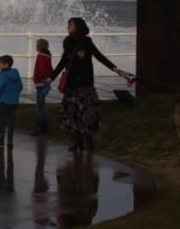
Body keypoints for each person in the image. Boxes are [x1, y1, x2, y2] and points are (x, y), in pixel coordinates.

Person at [51, 17, 127, 152]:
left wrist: (114, 68)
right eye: (68, 25)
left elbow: (98, 56)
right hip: (72, 83)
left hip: (85, 83)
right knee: (72, 113)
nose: (68, 27)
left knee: (87, 113)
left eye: (71, 25)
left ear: (78, 27)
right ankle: (78, 141)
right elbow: (63, 61)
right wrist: (51, 77)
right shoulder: (68, 42)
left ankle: (88, 140)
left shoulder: (86, 41)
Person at [0, 54, 23, 148]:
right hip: (14, 102)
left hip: (4, 101)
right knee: (11, 122)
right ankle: (10, 142)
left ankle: (0, 141)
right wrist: (15, 94)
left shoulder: (3, 75)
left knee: (2, 122)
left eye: (0, 64)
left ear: (6, 65)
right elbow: (20, 87)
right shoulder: (16, 73)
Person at [31, 38, 53, 135]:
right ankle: (44, 126)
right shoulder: (47, 56)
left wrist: (37, 79)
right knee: (41, 106)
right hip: (45, 83)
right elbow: (49, 69)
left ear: (39, 46)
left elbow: (41, 70)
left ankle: (41, 128)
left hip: (41, 83)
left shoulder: (40, 56)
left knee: (40, 107)